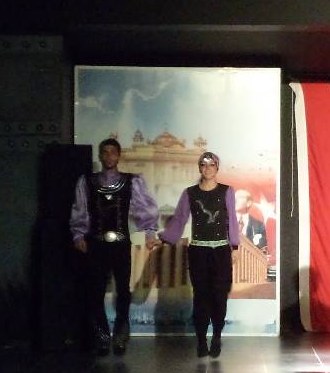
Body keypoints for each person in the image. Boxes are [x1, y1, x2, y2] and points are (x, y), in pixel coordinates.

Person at [70, 137, 159, 356]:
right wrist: (78, 234)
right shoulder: (87, 182)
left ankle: (120, 335)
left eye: (113, 152)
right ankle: (101, 337)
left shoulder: (131, 181)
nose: (109, 156)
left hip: (120, 244)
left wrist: (150, 232)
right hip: (96, 244)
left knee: (123, 291)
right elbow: (80, 209)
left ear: (119, 156)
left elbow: (144, 209)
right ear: (100, 156)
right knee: (95, 291)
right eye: (105, 152)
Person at [159, 152, 240, 358]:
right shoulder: (190, 193)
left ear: (217, 167)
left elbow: (231, 219)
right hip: (199, 251)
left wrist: (235, 246)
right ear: (199, 168)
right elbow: (179, 219)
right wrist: (165, 238)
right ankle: (201, 340)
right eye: (203, 165)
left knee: (219, 296)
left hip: (220, 251)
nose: (207, 168)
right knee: (201, 296)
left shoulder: (227, 191)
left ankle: (217, 336)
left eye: (211, 164)